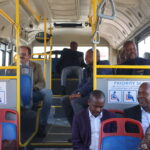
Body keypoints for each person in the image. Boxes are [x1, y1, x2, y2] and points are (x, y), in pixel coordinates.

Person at [8, 46, 53, 137]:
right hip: (18, 93)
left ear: (29, 56)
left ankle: (42, 124)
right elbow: (9, 82)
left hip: (34, 91)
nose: (21, 56)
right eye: (20, 54)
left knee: (48, 93)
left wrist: (33, 88)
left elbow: (41, 82)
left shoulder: (36, 66)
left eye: (24, 54)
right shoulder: (12, 67)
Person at [62, 49, 112, 126]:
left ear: (97, 57)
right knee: (65, 100)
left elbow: (93, 82)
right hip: (88, 95)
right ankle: (75, 128)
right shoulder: (86, 70)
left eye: (88, 56)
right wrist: (74, 93)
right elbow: (81, 85)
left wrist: (80, 93)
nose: (85, 58)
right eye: (85, 56)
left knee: (76, 101)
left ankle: (85, 128)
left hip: (100, 95)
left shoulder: (104, 65)